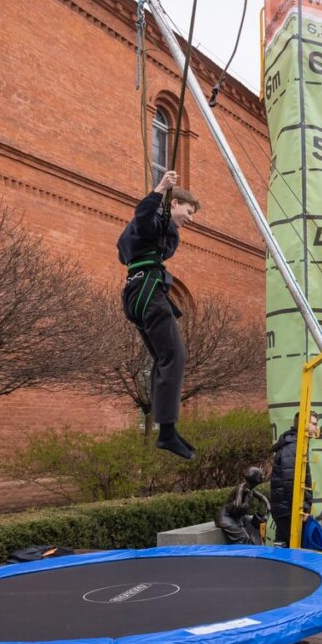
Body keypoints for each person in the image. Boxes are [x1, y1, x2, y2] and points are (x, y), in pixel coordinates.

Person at [117, 170, 199, 460]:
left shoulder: (151, 230)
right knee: (174, 355)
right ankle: (166, 433)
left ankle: (166, 429)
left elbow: (129, 245)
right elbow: (143, 218)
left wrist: (161, 222)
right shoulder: (153, 219)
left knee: (164, 359)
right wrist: (160, 189)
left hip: (136, 294)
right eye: (188, 212)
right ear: (174, 203)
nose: (190, 219)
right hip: (148, 292)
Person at [269, 411, 318, 546]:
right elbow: (290, 482)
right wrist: (301, 510)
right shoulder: (293, 447)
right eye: (314, 424)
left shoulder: (294, 444)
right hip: (289, 511)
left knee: (284, 547)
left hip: (285, 510)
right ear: (303, 424)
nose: (316, 428)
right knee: (296, 549)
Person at [215, 466, 269, 544]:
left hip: (237, 516)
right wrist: (247, 500)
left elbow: (261, 497)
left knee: (255, 529)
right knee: (244, 538)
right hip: (226, 517)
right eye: (261, 476)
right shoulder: (241, 488)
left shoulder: (249, 488)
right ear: (256, 480)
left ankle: (257, 548)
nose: (263, 477)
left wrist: (268, 505)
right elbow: (237, 505)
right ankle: (247, 550)